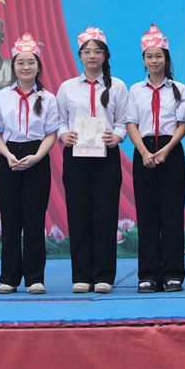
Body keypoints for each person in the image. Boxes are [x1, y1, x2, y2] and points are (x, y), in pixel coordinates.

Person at [56, 26, 130, 294]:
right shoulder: (67, 87)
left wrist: (117, 137)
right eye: (86, 52)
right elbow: (59, 121)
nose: (92, 56)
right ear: (80, 56)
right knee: (78, 215)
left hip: (106, 157)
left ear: (105, 55)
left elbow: (123, 121)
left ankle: (103, 276)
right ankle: (81, 275)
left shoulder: (117, 86)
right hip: (76, 157)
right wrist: (64, 135)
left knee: (105, 214)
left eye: (97, 51)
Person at [0, 32, 59, 295]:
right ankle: (9, 277)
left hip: (37, 157)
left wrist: (37, 157)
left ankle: (35, 278)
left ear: (38, 66)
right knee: (11, 220)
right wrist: (7, 155)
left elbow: (51, 134)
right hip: (10, 158)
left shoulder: (48, 98)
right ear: (13, 66)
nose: (26, 67)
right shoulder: (2, 96)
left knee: (34, 219)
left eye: (31, 62)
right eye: (20, 62)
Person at [125, 24, 185, 293]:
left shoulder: (179, 88)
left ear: (166, 59)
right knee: (147, 215)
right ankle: (148, 274)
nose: (154, 61)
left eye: (158, 56)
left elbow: (182, 125)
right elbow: (131, 124)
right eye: (149, 56)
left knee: (172, 215)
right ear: (143, 60)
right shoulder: (135, 90)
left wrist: (166, 149)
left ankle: (173, 274)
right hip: (144, 151)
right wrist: (143, 152)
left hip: (171, 151)